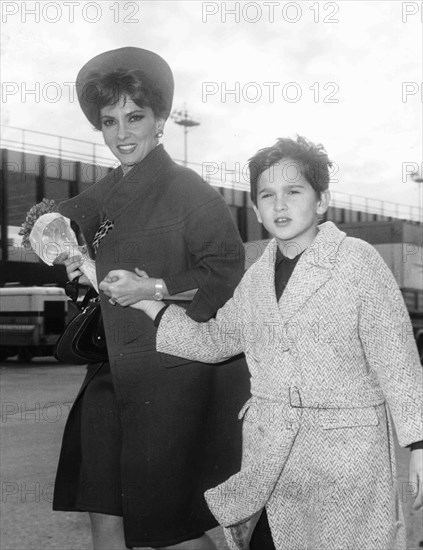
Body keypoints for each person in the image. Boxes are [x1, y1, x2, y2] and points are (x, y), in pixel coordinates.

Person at [121, 136, 423, 550]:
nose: (279, 206)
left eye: (293, 192)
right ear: (257, 207)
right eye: (267, 195)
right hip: (274, 456)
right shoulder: (257, 275)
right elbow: (215, 340)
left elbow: (398, 359)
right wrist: (146, 303)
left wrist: (419, 443)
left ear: (321, 201)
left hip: (349, 459)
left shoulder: (357, 261)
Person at [52, 47, 250, 550]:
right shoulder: (103, 191)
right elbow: (54, 218)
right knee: (103, 510)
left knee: (166, 529)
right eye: (109, 121)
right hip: (108, 373)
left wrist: (152, 288)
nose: (122, 134)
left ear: (160, 120)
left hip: (171, 378)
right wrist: (54, 238)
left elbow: (225, 273)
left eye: (135, 117)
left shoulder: (190, 192)